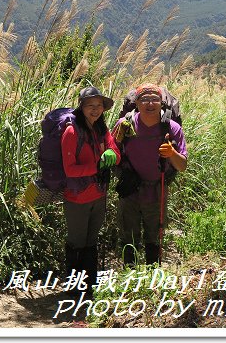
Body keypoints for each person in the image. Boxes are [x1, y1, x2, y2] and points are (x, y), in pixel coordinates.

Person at [112, 83, 187, 267]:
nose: (150, 103)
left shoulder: (172, 128)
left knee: (154, 236)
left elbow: (182, 165)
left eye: (155, 99)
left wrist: (171, 154)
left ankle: (152, 278)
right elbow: (112, 152)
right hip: (130, 190)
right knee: (129, 236)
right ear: (136, 102)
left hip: (157, 189)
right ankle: (131, 276)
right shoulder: (125, 124)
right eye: (144, 99)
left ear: (162, 103)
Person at [61, 86, 121, 294]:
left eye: (99, 106)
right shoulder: (71, 132)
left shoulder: (101, 129)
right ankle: (74, 287)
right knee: (77, 242)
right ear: (81, 107)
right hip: (77, 197)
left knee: (91, 241)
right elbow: (70, 170)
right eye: (90, 106)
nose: (95, 110)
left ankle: (89, 286)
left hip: (98, 194)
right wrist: (97, 165)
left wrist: (112, 154)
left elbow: (114, 151)